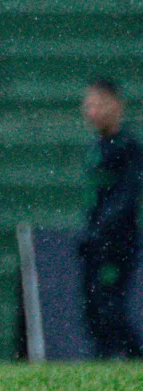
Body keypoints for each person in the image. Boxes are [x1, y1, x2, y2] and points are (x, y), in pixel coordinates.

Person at [79, 77, 143, 359]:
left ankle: (131, 356)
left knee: (111, 307)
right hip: (95, 241)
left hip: (118, 242)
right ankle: (103, 359)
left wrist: (103, 230)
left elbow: (126, 199)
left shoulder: (128, 147)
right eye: (89, 104)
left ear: (117, 106)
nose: (93, 111)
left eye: (100, 104)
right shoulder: (96, 145)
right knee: (93, 307)